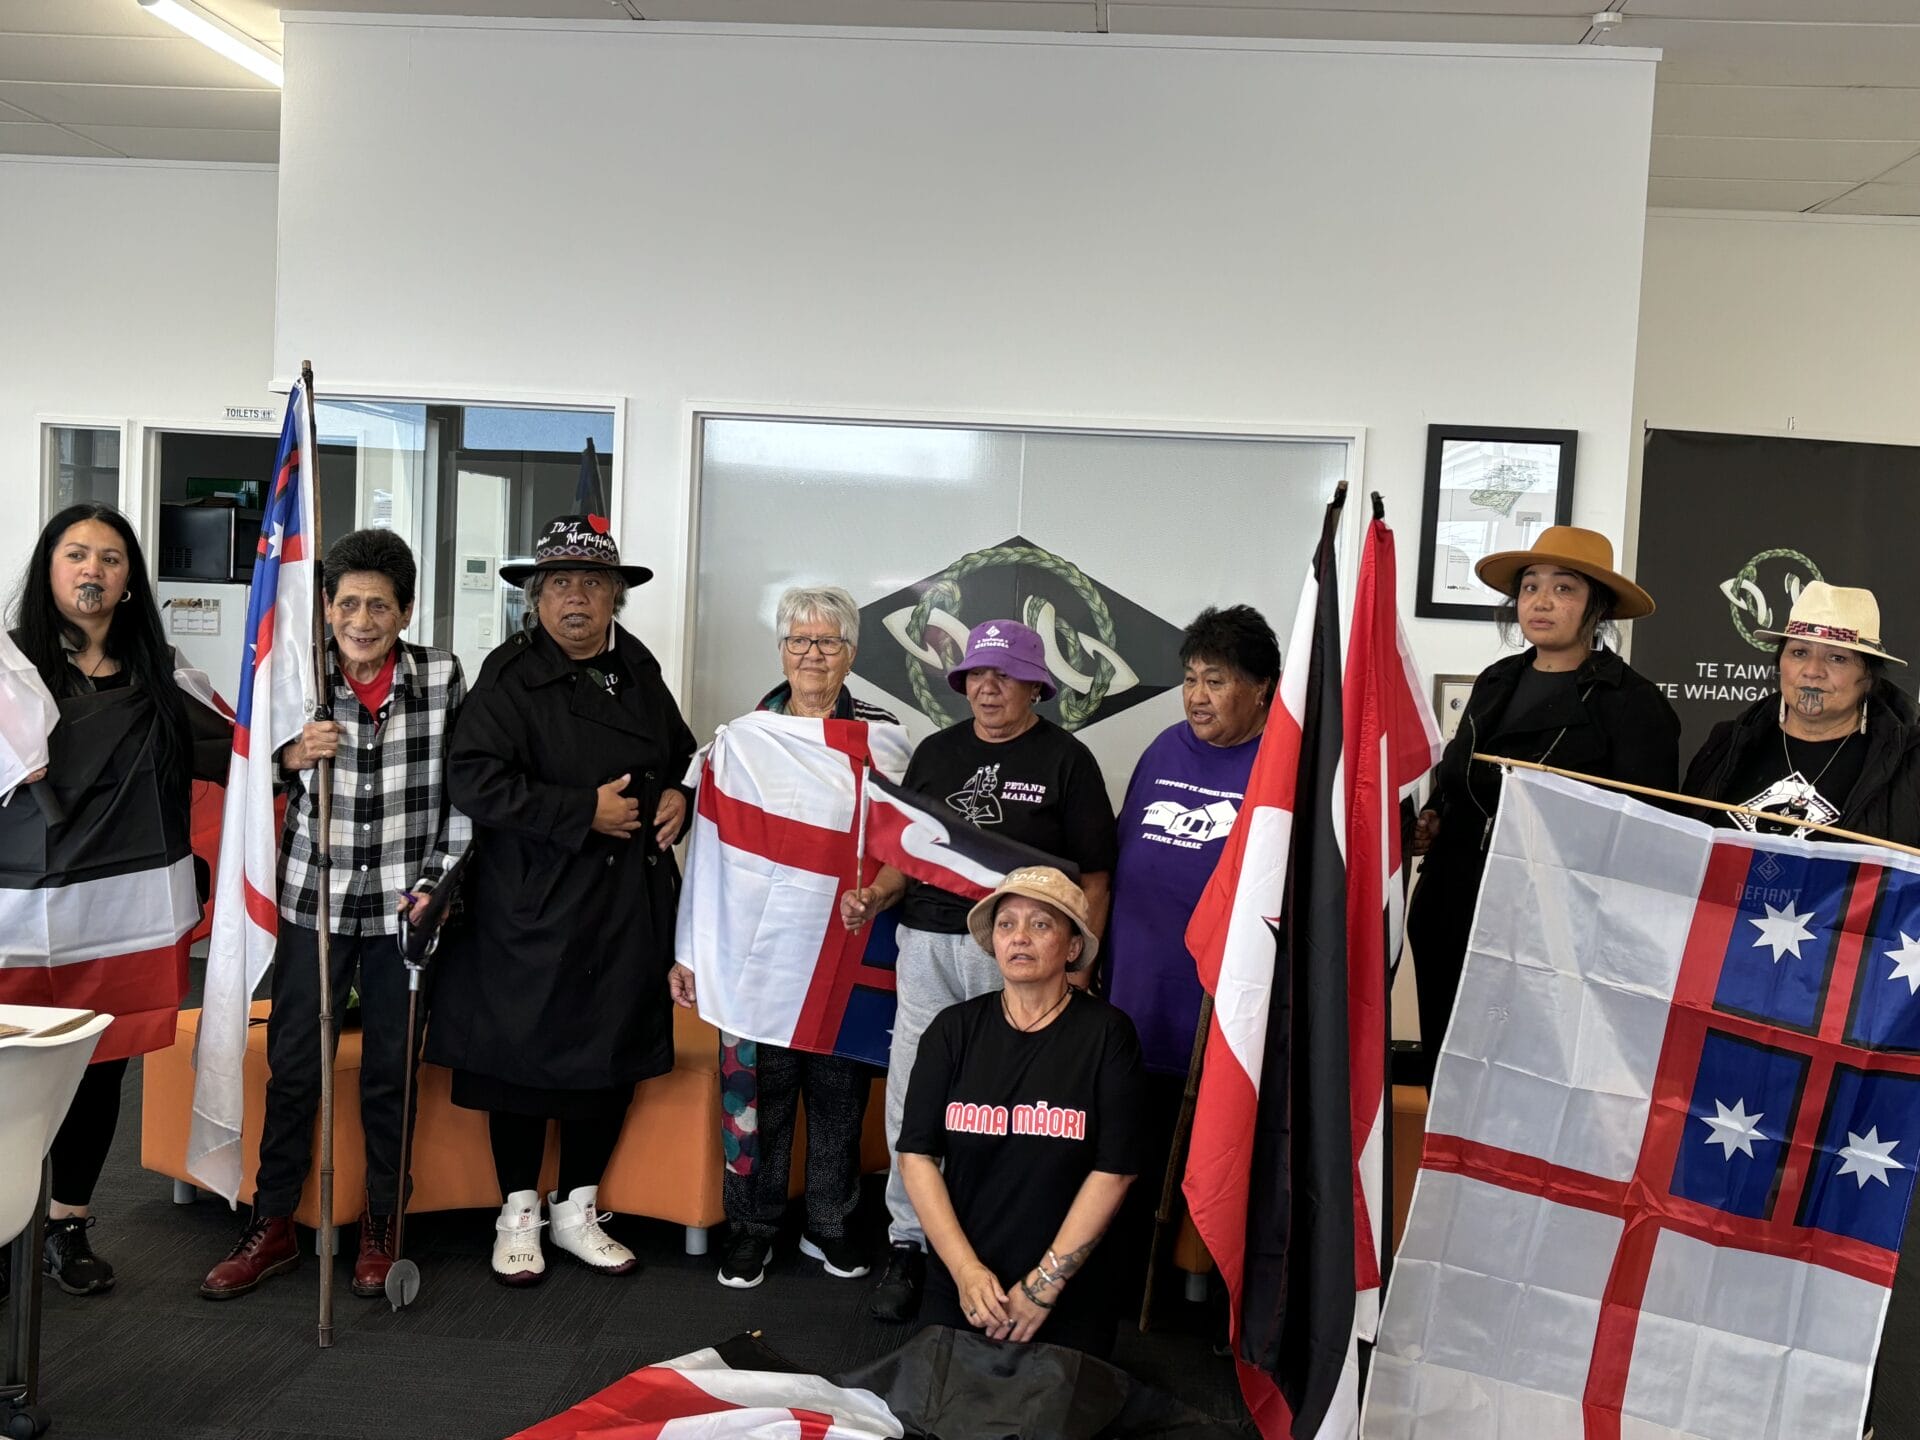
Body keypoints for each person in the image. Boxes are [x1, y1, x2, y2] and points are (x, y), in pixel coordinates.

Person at [199, 530, 470, 1302]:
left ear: (405, 612)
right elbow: (244, 768)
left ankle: (383, 1222)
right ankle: (274, 1221)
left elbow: (466, 795)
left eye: (379, 606)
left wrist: (435, 885)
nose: (361, 620)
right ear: (324, 606)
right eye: (347, 603)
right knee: (294, 1068)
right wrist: (289, 755)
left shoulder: (443, 676)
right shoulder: (295, 676)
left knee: (391, 1072)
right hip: (311, 904)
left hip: (403, 911)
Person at [427, 515, 696, 1285]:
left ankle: (579, 1209)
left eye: (592, 584)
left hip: (626, 905)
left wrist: (679, 796)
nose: (576, 598)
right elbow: (473, 780)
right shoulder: (508, 674)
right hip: (530, 904)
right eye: (560, 584)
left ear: (614, 596)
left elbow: (680, 753)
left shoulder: (637, 666)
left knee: (609, 1058)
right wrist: (582, 812)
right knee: (518, 1062)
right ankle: (517, 1213)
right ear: (536, 598)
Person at [841, 617, 1117, 1322]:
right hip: (928, 944)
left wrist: (1079, 964)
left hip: (1018, 953)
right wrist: (875, 895)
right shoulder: (937, 752)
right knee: (915, 1094)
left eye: (1004, 676)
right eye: (975, 677)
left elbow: (1094, 877)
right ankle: (909, 1243)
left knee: (1004, 1102)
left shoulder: (1068, 760)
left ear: (1036, 686)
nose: (987, 689)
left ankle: (998, 1247)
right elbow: (907, 856)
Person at [0, 503, 227, 1299]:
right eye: (75, 554)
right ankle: (3, 1226)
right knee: (10, 1075)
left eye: (109, 557)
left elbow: (225, 751)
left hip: (120, 915)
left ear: (130, 578)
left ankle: (67, 1225)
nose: (91, 570)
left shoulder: (161, 675)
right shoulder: (10, 671)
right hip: (14, 918)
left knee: (98, 1072)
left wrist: (289, 751)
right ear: (49, 568)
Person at [666, 585, 898, 1291]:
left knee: (837, 1101)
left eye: (827, 641)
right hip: (753, 954)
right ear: (781, 651)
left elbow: (902, 842)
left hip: (841, 948)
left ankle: (831, 1222)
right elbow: (707, 852)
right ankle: (752, 1229)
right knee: (756, 1102)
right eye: (799, 641)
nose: (812, 654)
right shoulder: (741, 740)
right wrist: (688, 950)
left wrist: (877, 894)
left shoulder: (883, 737)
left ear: (851, 653)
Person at [1407, 526, 1679, 1086]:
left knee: (1525, 1085)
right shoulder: (1496, 680)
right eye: (1530, 587)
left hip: (1551, 929)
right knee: (1449, 1071)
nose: (1542, 601)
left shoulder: (1633, 703)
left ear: (1598, 608)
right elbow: (1460, 776)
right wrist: (1433, 816)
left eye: (1564, 588)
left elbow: (1644, 839)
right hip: (1452, 909)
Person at [895, 865, 1144, 1359]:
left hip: (1068, 1281)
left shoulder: (1108, 1034)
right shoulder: (952, 1030)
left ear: (1073, 947)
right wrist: (965, 1271)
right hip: (965, 1276)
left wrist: (1044, 1285)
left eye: (1041, 924)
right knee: (940, 1400)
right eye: (1007, 924)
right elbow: (916, 1157)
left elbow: (1115, 1170)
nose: (1020, 937)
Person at [1102, 604, 1279, 1298]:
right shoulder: (1164, 749)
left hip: (1221, 1007)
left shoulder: (1281, 766)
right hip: (1137, 991)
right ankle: (1124, 1285)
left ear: (1262, 689)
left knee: (1219, 1151)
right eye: (1191, 679)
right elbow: (1123, 858)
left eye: (1217, 681)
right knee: (1130, 1140)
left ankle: (1211, 1294)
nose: (1197, 696)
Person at [1682, 582, 1919, 845]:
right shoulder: (1726, 742)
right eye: (1799, 652)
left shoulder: (1910, 763)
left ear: (1868, 678)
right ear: (1780, 664)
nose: (1812, 671)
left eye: (1837, 658)